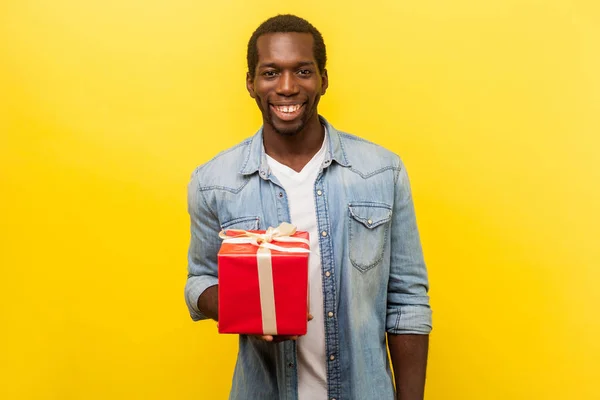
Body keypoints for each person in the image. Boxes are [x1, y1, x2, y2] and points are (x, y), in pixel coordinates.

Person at [185, 14, 432, 400]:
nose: (286, 87)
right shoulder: (214, 182)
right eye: (270, 73)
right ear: (251, 83)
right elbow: (198, 282)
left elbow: (408, 301)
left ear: (323, 80)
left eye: (302, 71)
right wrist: (249, 304)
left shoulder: (382, 172)